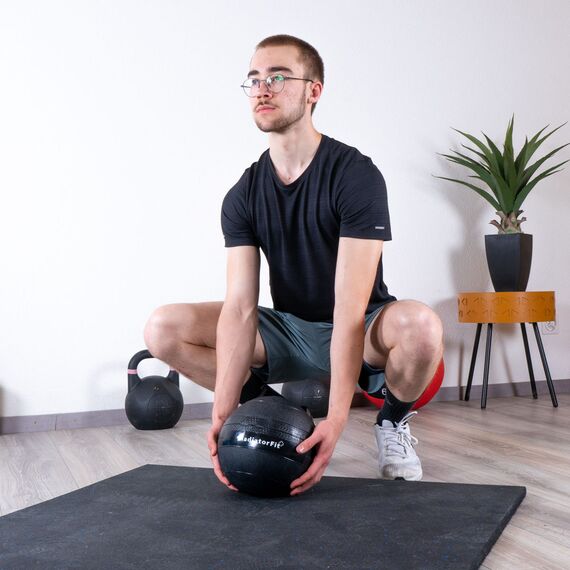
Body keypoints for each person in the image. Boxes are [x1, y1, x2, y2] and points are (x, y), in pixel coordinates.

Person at [144, 34, 444, 495]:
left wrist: (338, 420)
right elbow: (241, 309)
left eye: (278, 77)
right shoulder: (243, 194)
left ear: (313, 91)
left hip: (362, 326)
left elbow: (349, 306)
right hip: (289, 329)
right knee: (163, 328)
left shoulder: (355, 175)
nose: (263, 88)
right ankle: (268, 411)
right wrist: (223, 411)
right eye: (255, 79)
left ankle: (392, 421)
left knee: (422, 327)